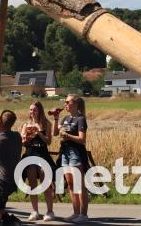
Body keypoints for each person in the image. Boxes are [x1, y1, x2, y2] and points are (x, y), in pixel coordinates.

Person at [52, 94, 88, 224]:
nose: (65, 104)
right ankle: (76, 212)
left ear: (75, 104)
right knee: (71, 184)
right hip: (65, 152)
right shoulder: (66, 118)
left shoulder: (80, 119)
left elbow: (82, 139)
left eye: (68, 102)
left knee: (79, 184)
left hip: (75, 153)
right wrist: (56, 118)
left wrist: (67, 135)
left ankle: (83, 214)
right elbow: (55, 133)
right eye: (65, 102)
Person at [22, 102, 56, 221]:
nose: (32, 112)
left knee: (45, 181)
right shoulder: (26, 124)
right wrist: (26, 138)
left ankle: (50, 211)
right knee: (32, 183)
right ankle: (35, 211)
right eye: (30, 110)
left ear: (40, 111)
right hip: (30, 154)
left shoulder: (46, 123)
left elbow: (48, 142)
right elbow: (23, 142)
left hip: (42, 154)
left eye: (34, 110)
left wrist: (38, 133)